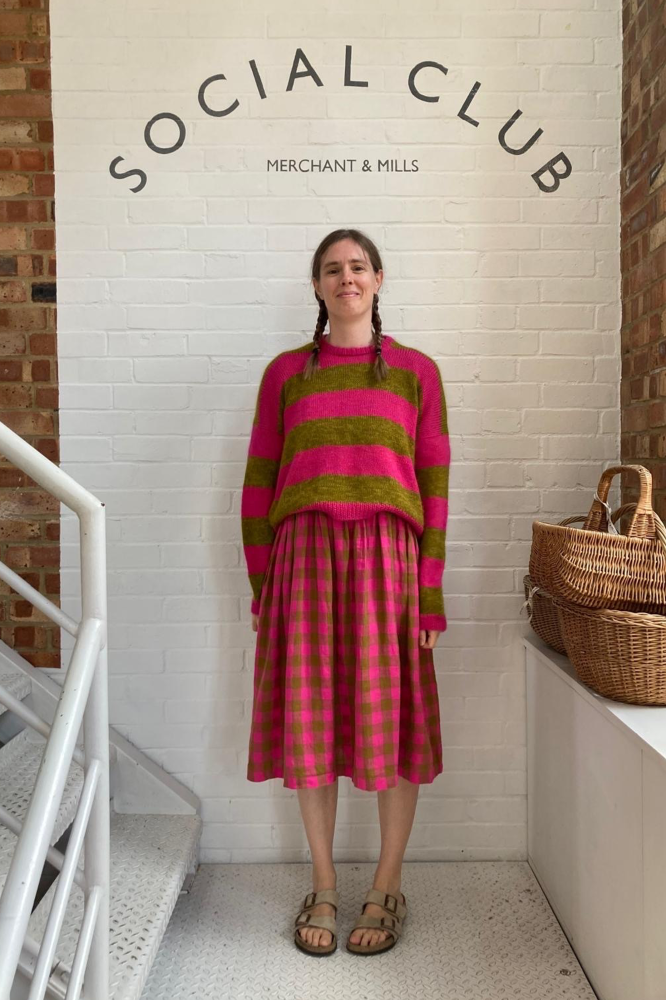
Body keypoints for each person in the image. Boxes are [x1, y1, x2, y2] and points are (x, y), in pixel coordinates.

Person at [240, 228, 450, 957]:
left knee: (394, 723)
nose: (346, 278)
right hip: (302, 560)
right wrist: (262, 584)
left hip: (390, 562)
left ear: (379, 280)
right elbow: (259, 480)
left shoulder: (417, 373)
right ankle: (324, 883)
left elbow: (435, 488)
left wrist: (429, 590)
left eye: (358, 267)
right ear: (317, 286)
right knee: (311, 723)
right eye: (332, 269)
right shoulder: (285, 374)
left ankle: (387, 884)